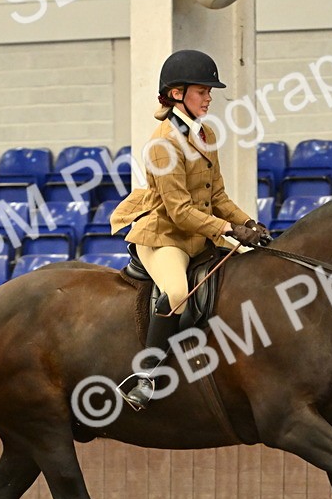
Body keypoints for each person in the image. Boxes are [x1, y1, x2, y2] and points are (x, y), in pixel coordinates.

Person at [111, 49, 270, 410]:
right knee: (178, 291)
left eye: (209, 92)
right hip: (165, 236)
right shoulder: (163, 145)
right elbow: (180, 212)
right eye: (202, 91)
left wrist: (248, 223)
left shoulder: (206, 133)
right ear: (178, 93)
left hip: (199, 233)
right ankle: (146, 375)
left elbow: (218, 195)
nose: (209, 98)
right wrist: (228, 229)